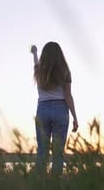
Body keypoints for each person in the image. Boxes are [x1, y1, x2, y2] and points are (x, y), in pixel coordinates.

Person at [30, 42, 79, 175]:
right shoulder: (65, 71)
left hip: (43, 110)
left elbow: (36, 62)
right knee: (58, 152)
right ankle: (55, 183)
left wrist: (34, 53)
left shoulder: (39, 70)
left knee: (42, 151)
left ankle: (39, 182)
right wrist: (75, 117)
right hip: (60, 109)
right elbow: (68, 96)